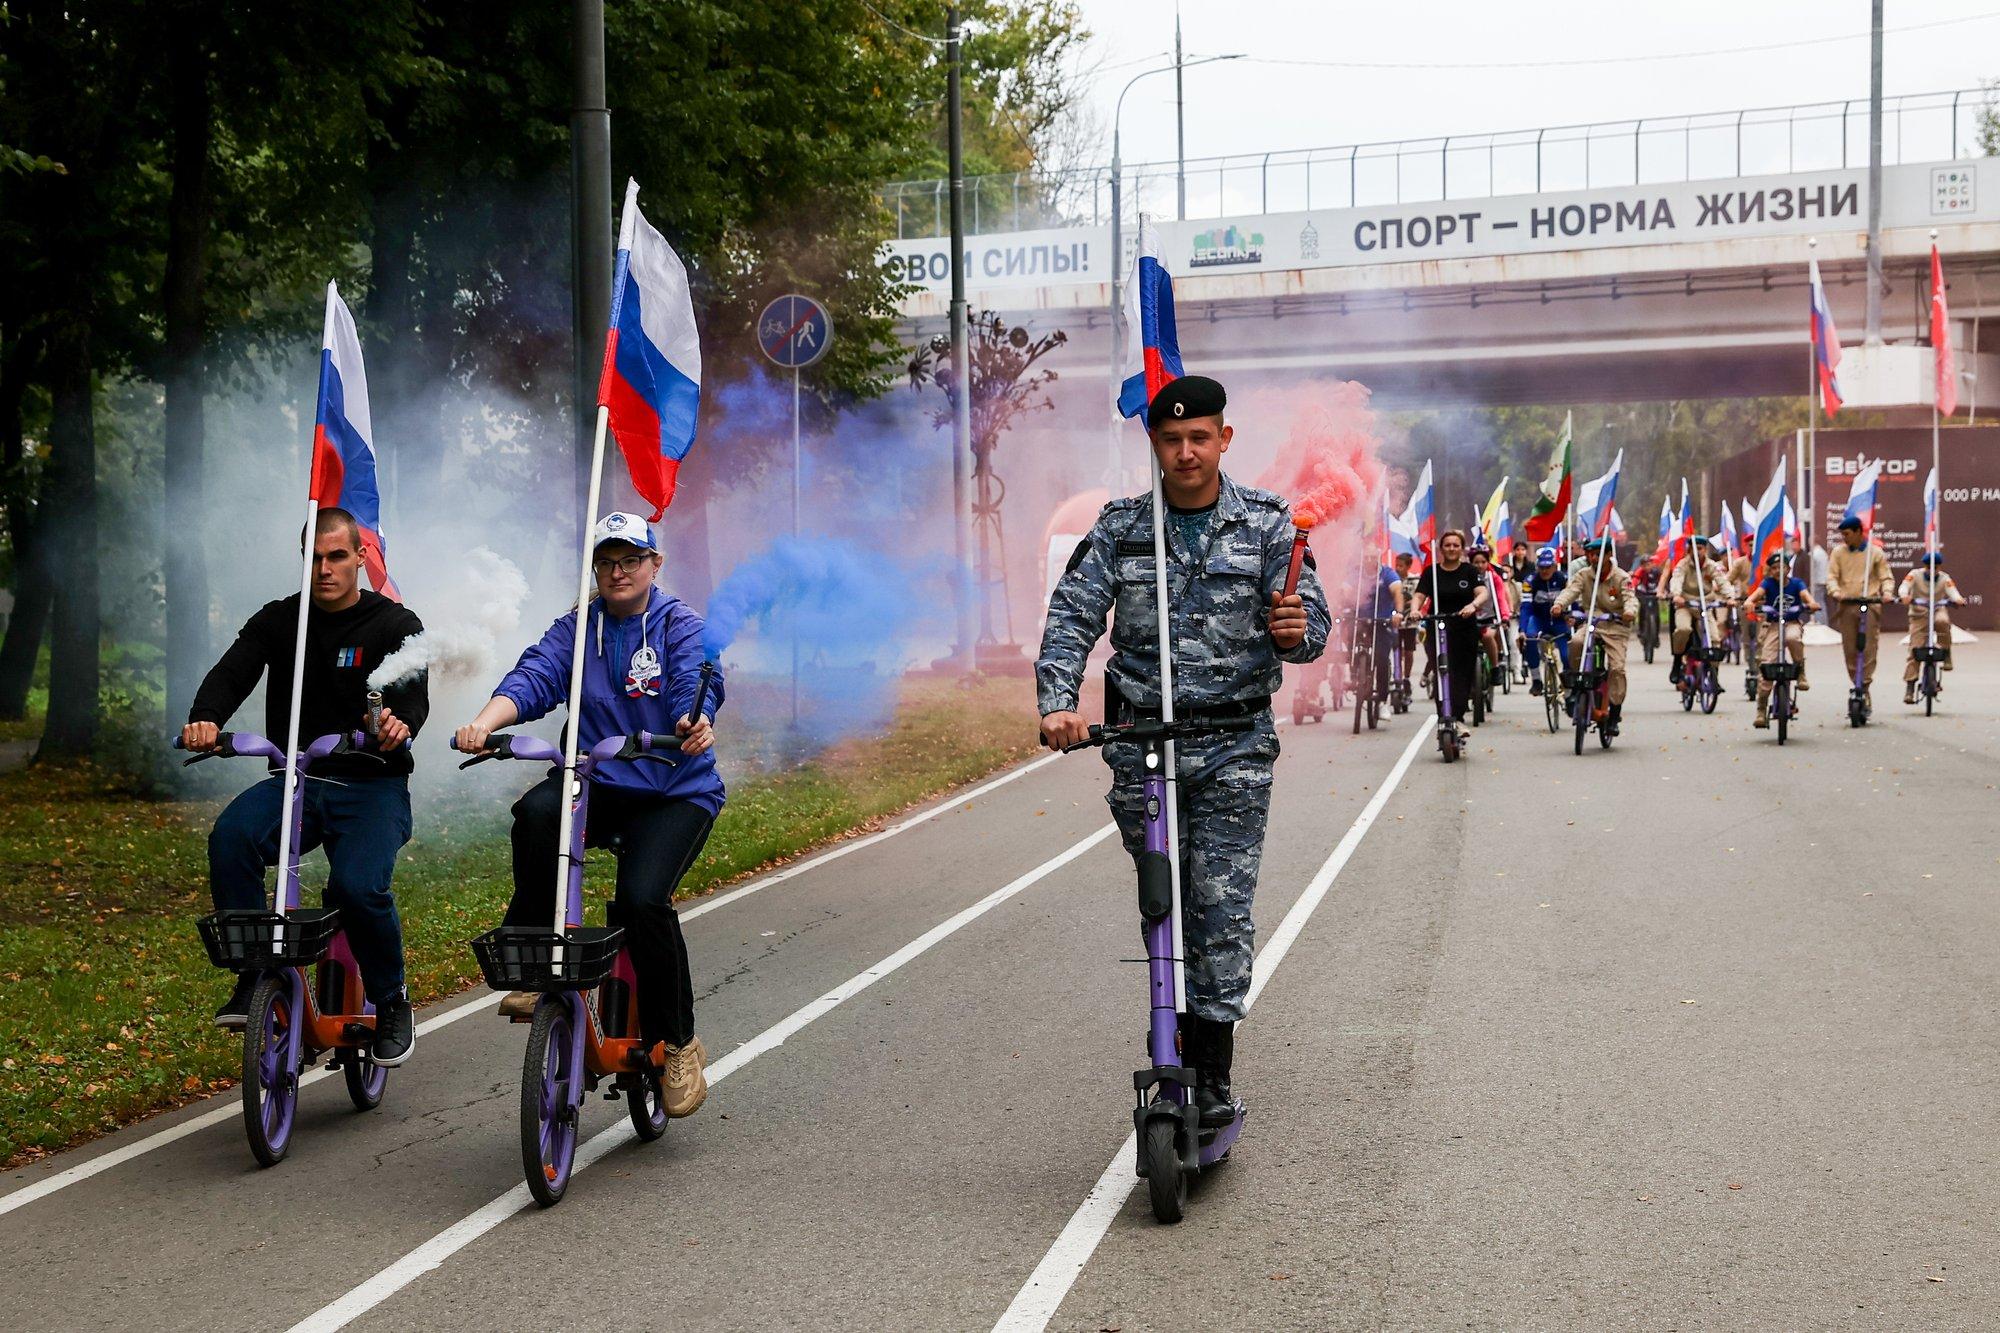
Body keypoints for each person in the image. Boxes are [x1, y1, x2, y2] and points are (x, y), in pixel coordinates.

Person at [1037, 374, 1328, 1129]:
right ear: (1155, 445)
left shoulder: (1267, 526)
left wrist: (1296, 630)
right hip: (1142, 746)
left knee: (1219, 906)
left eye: (1201, 436)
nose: (1187, 450)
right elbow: (1072, 613)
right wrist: (1058, 703)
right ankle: (1175, 1037)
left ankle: (1211, 1066)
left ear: (1223, 438)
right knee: (1164, 904)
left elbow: (1310, 625)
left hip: (1233, 745)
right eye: (1173, 439)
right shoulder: (1124, 528)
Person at [455, 512, 723, 1118]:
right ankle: (533, 962)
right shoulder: (578, 628)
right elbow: (535, 675)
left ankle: (678, 1042)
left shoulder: (680, 625)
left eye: (631, 559)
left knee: (640, 902)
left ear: (655, 566)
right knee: (536, 812)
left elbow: (696, 683)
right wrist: (484, 723)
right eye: (606, 561)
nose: (618, 571)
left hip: (671, 791)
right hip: (595, 780)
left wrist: (690, 721)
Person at [185, 508, 427, 1065]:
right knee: (231, 838)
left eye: (337, 556)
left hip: (372, 788)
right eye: (313, 558)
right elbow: (232, 672)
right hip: (296, 781)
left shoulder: (394, 624)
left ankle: (392, 1001)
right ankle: (254, 972)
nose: (324, 569)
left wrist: (399, 725)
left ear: (360, 558)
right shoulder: (280, 620)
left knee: (359, 887)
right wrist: (205, 718)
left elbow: (413, 695)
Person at [1551, 535, 1638, 735]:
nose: (1594, 559)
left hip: (1615, 626)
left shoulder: (1621, 577)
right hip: (1591, 622)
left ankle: (1614, 714)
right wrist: (1559, 604)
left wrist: (1629, 612)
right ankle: (1577, 684)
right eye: (1591, 555)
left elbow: (1630, 599)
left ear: (1609, 555)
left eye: (1599, 554)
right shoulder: (1583, 575)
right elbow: (1570, 591)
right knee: (1575, 642)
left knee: (1617, 669)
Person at [1410, 529, 1488, 736]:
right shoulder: (1431, 573)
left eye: (1456, 545)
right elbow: (1419, 595)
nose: (1452, 549)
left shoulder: (1470, 571)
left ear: (1461, 549)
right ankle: (1444, 717)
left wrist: (1473, 605)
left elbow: (1482, 593)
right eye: (1448, 545)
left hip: (1464, 629)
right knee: (1442, 672)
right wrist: (1415, 610)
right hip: (1437, 627)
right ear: (1441, 548)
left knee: (1462, 675)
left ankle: (1458, 718)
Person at [1825, 516, 1895, 706]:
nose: (1845, 538)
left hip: (1869, 603)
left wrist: (1887, 592)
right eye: (1842, 535)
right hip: (1847, 604)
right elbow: (1831, 577)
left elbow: (1885, 577)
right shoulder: (1838, 553)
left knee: (1868, 647)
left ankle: (1864, 686)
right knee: (1850, 648)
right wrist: (1836, 591)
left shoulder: (1875, 553)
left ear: (1858, 532)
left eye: (1847, 534)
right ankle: (1855, 682)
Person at [1752, 549, 1817, 728]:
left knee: (1793, 638)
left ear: (1788, 568)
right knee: (1766, 664)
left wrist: (1811, 603)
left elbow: (1805, 595)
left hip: (1792, 622)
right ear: (1770, 570)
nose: (1777, 570)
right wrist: (1750, 602)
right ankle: (1761, 708)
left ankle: (1801, 671)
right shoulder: (1768, 583)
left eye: (1781, 566)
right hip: (1772, 625)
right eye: (1773, 567)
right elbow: (1757, 594)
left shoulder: (1797, 583)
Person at [1899, 549, 1966, 703]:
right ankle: (1910, 687)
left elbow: (1953, 591)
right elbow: (1904, 587)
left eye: (1935, 567)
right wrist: (1905, 596)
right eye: (1929, 566)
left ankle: (1946, 653)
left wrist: (1958, 599)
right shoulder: (1914, 575)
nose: (1932, 569)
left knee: (1942, 622)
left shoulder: (1944, 578)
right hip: (1919, 612)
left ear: (1939, 567)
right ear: (1924, 566)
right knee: (1915, 648)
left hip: (1937, 608)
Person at [1664, 536, 1733, 683]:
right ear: (1689, 550)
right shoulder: (1682, 565)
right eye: (1693, 549)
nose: (1697, 552)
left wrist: (1730, 597)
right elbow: (1676, 579)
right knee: (1683, 630)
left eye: (1700, 549)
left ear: (1705, 550)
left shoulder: (1711, 566)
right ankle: (1677, 659)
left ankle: (1714, 674)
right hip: (1686, 605)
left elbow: (1722, 582)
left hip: (1705, 605)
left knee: (1715, 639)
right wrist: (1676, 595)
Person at [1517, 546, 1571, 694]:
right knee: (1530, 639)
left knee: (1567, 656)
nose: (1545, 571)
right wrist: (1522, 629)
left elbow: (1574, 602)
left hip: (1560, 621)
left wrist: (1573, 617)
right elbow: (1526, 607)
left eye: (1548, 567)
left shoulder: (1563, 578)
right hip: (1538, 618)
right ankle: (1536, 680)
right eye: (1541, 567)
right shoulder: (1530, 581)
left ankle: (1569, 689)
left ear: (1554, 566)